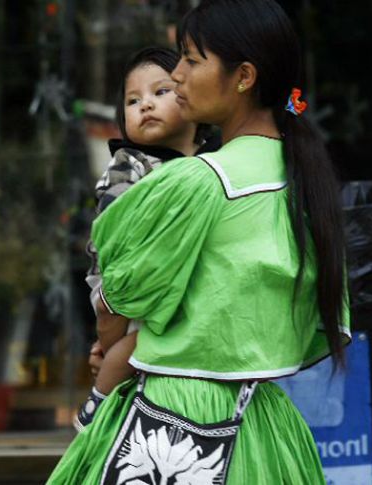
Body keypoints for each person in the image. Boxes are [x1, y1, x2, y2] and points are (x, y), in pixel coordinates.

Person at [48, 0, 351, 483]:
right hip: (266, 426)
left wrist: (109, 349)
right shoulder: (302, 179)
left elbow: (116, 301)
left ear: (244, 77)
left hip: (173, 430)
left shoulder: (197, 181)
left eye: (191, 60)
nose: (178, 75)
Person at [75, 46, 221, 431]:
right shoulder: (130, 165)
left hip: (183, 291)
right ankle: (98, 404)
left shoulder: (217, 160)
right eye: (133, 100)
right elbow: (117, 235)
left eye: (161, 92)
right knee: (135, 343)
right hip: (122, 284)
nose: (146, 105)